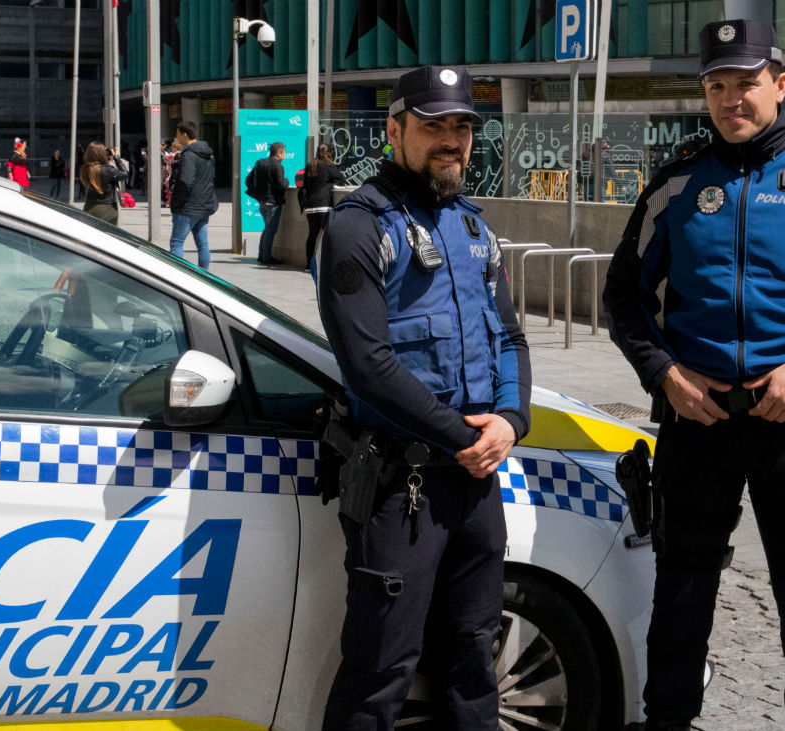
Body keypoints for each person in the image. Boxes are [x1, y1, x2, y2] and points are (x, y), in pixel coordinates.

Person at [602, 20, 785, 731]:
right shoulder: (675, 187)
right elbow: (624, 297)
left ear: (780, 84)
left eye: (746, 82)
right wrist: (664, 373)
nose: (732, 98)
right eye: (717, 85)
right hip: (696, 422)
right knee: (681, 593)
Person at [317, 65, 531, 731]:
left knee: (474, 660)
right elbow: (368, 365)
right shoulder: (359, 226)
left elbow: (511, 336)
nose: (451, 139)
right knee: (381, 669)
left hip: (474, 487)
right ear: (394, 130)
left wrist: (512, 420)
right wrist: (466, 436)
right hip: (399, 485)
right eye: (434, 125)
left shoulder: (473, 227)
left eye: (462, 126)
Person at [167, 121, 217, 270]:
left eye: (177, 135)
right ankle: (205, 275)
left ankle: (178, 277)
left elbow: (185, 182)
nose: (176, 139)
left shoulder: (189, 155)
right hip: (204, 205)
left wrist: (176, 204)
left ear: (184, 134)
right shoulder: (208, 154)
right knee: (202, 243)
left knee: (176, 242)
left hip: (188, 207)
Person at [299, 142, 345, 282]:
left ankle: (308, 264)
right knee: (327, 236)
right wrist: (331, 184)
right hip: (324, 206)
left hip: (310, 206)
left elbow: (305, 185)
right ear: (330, 153)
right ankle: (326, 263)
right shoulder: (329, 166)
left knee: (312, 236)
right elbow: (342, 181)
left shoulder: (310, 165)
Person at [246, 142, 289, 264]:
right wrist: (287, 181)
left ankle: (261, 255)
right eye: (284, 153)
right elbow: (282, 185)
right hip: (273, 202)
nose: (284, 156)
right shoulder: (278, 166)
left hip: (262, 201)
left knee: (267, 228)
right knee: (270, 230)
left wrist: (258, 194)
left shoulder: (260, 163)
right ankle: (266, 257)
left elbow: (248, 180)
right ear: (279, 153)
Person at [79, 141, 129, 224]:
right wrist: (116, 158)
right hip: (107, 208)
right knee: (108, 234)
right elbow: (125, 174)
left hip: (89, 206)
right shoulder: (107, 170)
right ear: (101, 154)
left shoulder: (85, 168)